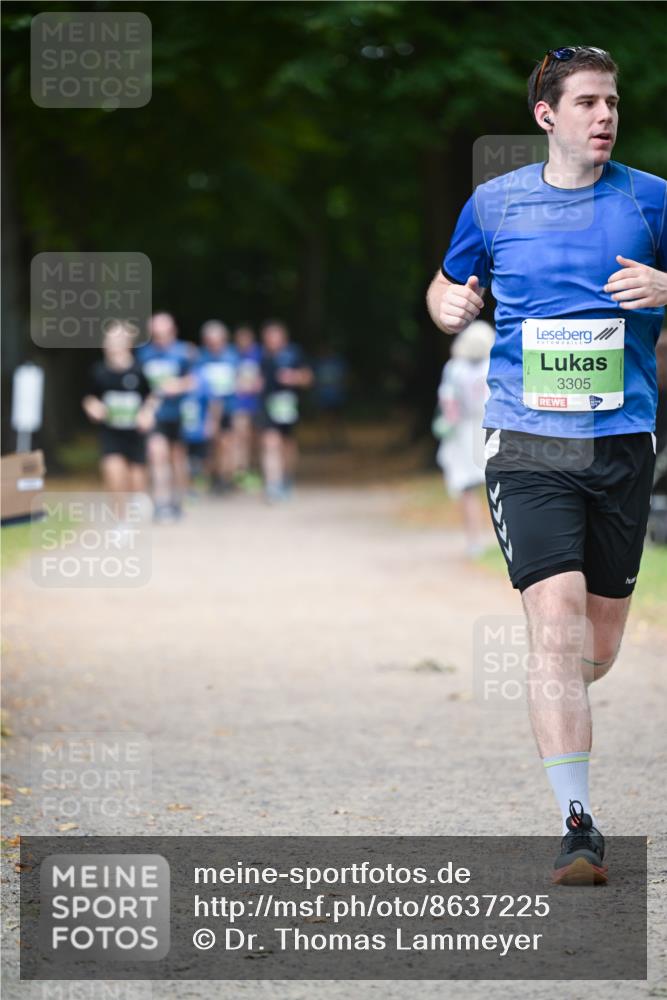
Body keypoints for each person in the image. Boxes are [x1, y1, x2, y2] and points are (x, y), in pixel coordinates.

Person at [427, 46, 667, 885]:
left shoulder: (650, 199)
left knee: (594, 647)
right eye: (587, 103)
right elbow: (445, 286)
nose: (604, 116)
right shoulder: (494, 204)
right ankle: (577, 825)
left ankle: (563, 683)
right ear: (546, 115)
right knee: (554, 625)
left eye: (611, 103)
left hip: (621, 440)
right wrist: (449, 304)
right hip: (526, 442)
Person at [82, 320, 157, 525]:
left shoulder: (140, 370)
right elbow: (89, 397)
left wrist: (147, 413)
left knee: (135, 481)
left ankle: (138, 503)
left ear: (128, 343)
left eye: (117, 339)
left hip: (135, 434)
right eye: (109, 339)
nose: (112, 343)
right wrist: (93, 407)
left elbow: (151, 396)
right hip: (111, 433)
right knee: (113, 474)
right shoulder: (99, 371)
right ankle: (120, 522)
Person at [436, 320, 494, 557]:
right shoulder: (493, 365)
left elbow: (448, 404)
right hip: (491, 429)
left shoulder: (454, 368)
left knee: (467, 489)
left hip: (464, 433)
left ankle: (474, 540)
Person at [136, 312, 192, 521]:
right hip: (155, 414)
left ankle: (178, 499)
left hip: (179, 413)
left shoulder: (184, 352)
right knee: (157, 453)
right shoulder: (143, 355)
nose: (160, 338)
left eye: (164, 333)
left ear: (173, 331)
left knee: (177, 458)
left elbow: (196, 380)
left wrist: (179, 385)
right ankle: (161, 502)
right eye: (156, 334)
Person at [259, 320, 313, 502]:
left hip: (289, 405)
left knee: (287, 445)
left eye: (275, 337)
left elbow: (308, 378)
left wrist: (294, 377)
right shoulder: (262, 356)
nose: (271, 341)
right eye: (268, 338)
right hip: (267, 405)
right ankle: (272, 485)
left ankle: (287, 477)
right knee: (270, 443)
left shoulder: (294, 353)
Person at [195, 320, 239, 494]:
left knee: (226, 443)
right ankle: (213, 475)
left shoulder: (233, 357)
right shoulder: (201, 358)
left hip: (228, 408)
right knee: (211, 445)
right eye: (210, 341)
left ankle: (225, 477)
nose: (214, 345)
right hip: (205, 409)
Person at [232, 324, 263, 489]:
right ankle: (241, 472)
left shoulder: (260, 354)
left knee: (256, 439)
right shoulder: (232, 355)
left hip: (258, 405)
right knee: (240, 438)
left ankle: (256, 469)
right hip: (239, 405)